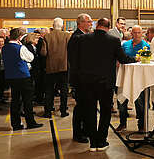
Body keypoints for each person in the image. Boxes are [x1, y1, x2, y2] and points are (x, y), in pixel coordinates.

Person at [72, 18, 136, 152]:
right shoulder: (113, 40)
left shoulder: (82, 39)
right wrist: (135, 59)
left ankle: (93, 143)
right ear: (108, 27)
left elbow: (75, 61)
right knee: (105, 112)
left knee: (90, 112)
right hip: (106, 82)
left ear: (97, 26)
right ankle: (101, 141)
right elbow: (123, 59)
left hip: (87, 82)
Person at [2, 28, 43, 131]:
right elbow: (31, 58)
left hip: (11, 77)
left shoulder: (4, 48)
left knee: (15, 101)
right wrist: (21, 46)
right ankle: (30, 122)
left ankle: (15, 124)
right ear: (19, 37)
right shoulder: (20, 48)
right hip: (23, 76)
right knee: (27, 101)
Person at [116, 25, 150, 132]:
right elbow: (120, 57)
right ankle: (122, 123)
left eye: (138, 32)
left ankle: (141, 125)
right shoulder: (125, 44)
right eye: (134, 33)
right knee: (121, 100)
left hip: (139, 78)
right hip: (125, 76)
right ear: (131, 34)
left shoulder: (146, 46)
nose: (136, 35)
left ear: (142, 33)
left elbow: (147, 61)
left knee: (140, 102)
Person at [68, 13, 93, 143]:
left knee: (85, 106)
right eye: (89, 21)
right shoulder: (77, 37)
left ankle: (85, 131)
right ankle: (78, 134)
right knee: (81, 107)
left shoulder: (83, 36)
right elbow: (77, 61)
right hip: (80, 79)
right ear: (81, 23)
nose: (91, 23)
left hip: (84, 78)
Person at [41, 17, 71, 118]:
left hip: (51, 67)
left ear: (53, 25)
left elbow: (43, 53)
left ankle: (48, 112)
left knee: (49, 90)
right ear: (62, 25)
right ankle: (63, 111)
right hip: (64, 67)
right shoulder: (67, 35)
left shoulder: (47, 36)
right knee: (64, 90)